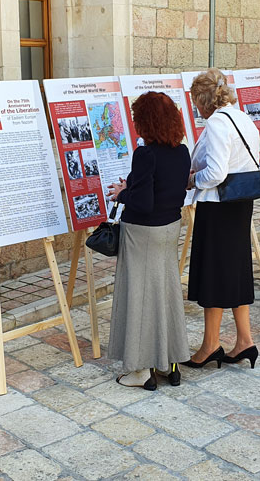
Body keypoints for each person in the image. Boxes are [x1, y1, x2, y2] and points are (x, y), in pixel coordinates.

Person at [106, 92, 191, 389]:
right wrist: (134, 185)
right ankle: (169, 361)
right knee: (164, 294)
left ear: (145, 121)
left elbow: (142, 202)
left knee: (139, 297)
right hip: (170, 228)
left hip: (143, 233)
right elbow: (166, 187)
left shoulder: (145, 154)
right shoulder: (181, 151)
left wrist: (122, 194)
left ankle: (141, 369)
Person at [183, 68, 260, 369]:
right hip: (238, 204)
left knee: (215, 274)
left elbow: (215, 173)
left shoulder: (217, 123)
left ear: (203, 101)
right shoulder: (242, 117)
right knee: (236, 270)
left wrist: (192, 180)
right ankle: (244, 340)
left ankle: (210, 345)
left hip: (218, 206)